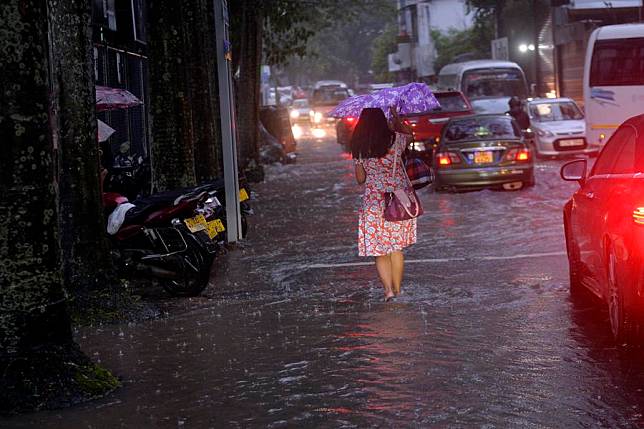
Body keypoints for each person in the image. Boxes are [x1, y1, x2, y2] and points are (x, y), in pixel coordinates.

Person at [352, 107, 416, 302]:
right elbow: (410, 135)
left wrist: (362, 164)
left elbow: (360, 179)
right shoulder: (396, 139)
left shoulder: (359, 145)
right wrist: (396, 116)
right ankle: (398, 290)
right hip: (396, 200)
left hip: (373, 202)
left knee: (379, 250)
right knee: (396, 248)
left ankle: (387, 291)